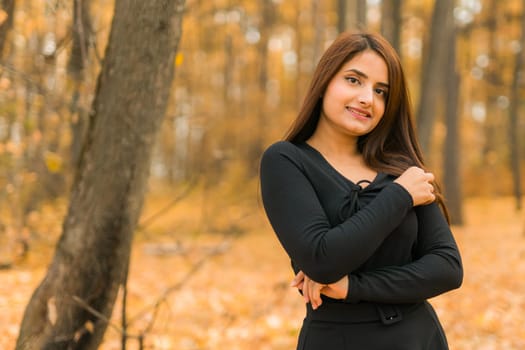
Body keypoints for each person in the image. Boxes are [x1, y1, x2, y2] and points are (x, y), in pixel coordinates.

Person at [259, 31, 463, 350]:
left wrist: (352, 286)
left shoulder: (403, 168)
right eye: (354, 80)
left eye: (381, 91)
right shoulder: (286, 160)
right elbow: (322, 260)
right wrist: (399, 196)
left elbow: (447, 269)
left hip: (416, 338)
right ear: (325, 81)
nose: (368, 98)